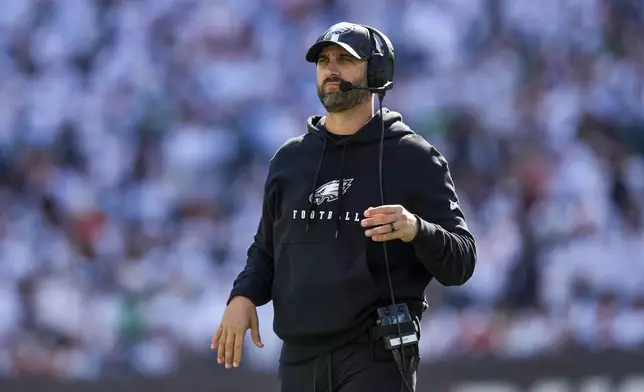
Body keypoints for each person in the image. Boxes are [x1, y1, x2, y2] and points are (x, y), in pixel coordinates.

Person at [211, 22, 477, 392]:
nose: (331, 69)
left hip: (375, 356)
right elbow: (267, 249)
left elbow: (462, 261)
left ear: (377, 71)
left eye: (345, 59)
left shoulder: (413, 157)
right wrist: (243, 295)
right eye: (323, 60)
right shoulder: (289, 161)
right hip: (299, 357)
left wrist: (416, 228)